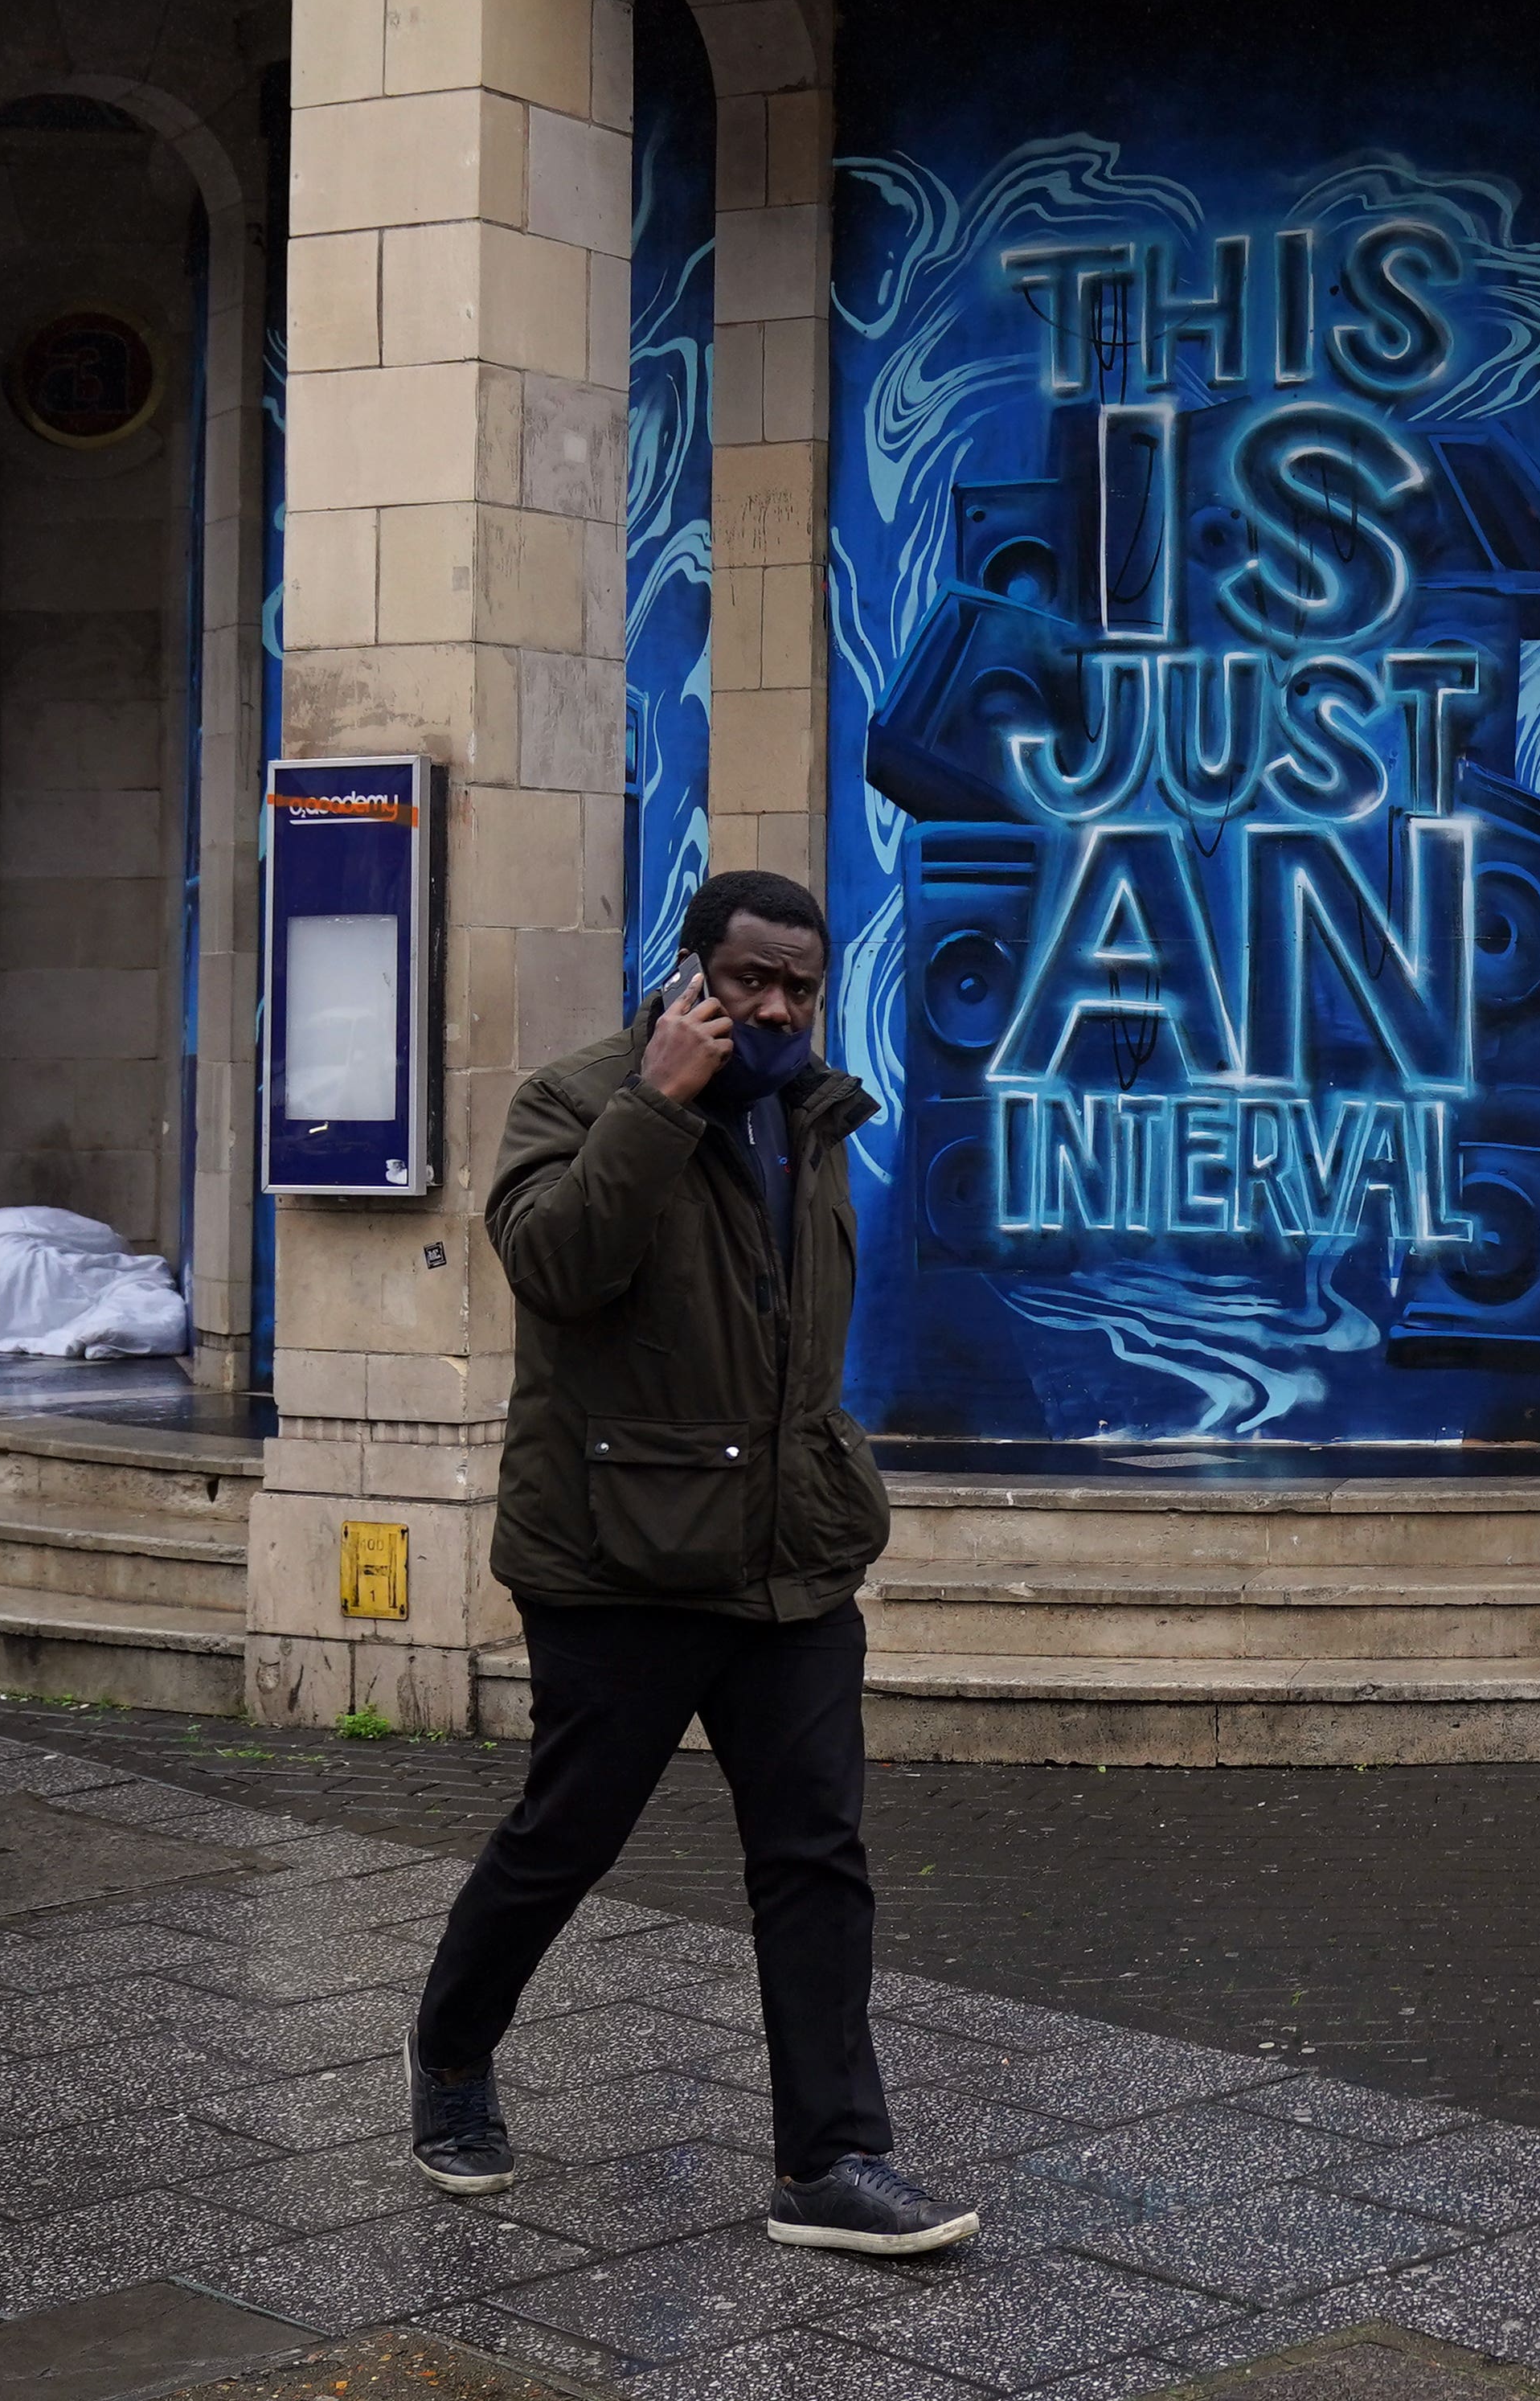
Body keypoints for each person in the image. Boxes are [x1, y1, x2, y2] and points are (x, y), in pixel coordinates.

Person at [403, 869, 980, 2258]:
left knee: (815, 1855)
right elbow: (554, 1265)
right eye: (749, 980)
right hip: (620, 1557)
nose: (775, 1007)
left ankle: (829, 2162)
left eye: (799, 985)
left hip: (789, 1558)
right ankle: (451, 2051)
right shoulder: (577, 1095)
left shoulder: (813, 1109)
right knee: (568, 1837)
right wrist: (656, 1108)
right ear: (691, 973)